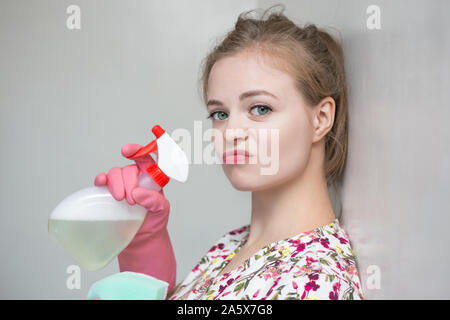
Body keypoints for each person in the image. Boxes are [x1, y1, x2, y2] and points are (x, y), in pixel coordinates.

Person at [95, 5, 365, 300]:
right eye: (220, 114)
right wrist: (144, 240)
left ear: (321, 118)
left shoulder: (314, 282)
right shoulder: (232, 245)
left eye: (260, 108)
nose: (231, 132)